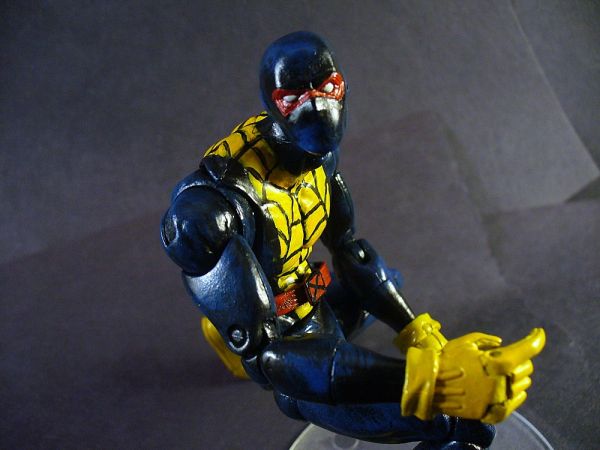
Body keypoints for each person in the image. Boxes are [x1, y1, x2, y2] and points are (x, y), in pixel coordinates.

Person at [161, 31, 545, 449]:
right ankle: (230, 330)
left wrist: (417, 331)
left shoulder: (319, 160)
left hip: (312, 296)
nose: (318, 106)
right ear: (276, 105)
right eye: (297, 98)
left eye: (328, 88)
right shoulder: (210, 212)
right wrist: (428, 379)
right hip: (282, 343)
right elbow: (272, 360)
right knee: (446, 424)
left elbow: (351, 251)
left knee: (382, 282)